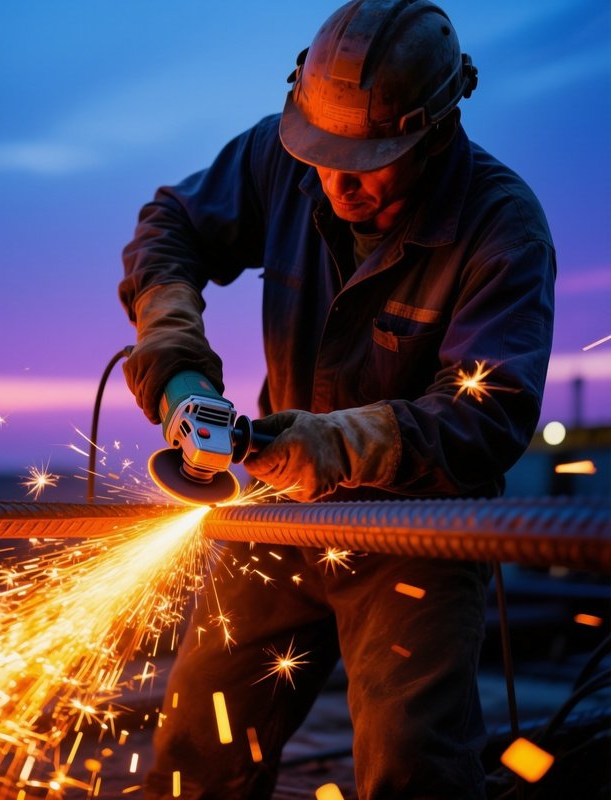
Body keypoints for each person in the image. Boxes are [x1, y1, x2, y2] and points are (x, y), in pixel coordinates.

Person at [119, 0, 556, 796]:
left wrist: (330, 443)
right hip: (277, 513)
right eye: (322, 150)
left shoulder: (501, 226)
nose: (337, 178)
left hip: (417, 533)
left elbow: (486, 417)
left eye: (369, 158)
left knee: (410, 763)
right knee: (199, 748)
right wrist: (177, 358)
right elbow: (171, 225)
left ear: (433, 130)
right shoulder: (282, 157)